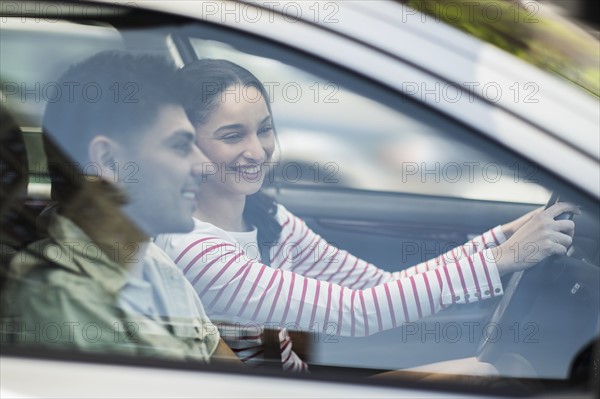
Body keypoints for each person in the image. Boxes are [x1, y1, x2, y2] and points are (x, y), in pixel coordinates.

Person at [156, 59, 577, 371]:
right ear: (187, 145)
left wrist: (500, 239)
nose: (258, 150)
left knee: (500, 374)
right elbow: (360, 311)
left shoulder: (269, 217)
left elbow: (380, 286)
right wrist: (501, 260)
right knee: (495, 376)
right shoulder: (197, 251)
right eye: (232, 136)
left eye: (264, 129)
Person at [0, 52, 239, 364]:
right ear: (110, 162)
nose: (204, 165)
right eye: (181, 146)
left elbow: (227, 367)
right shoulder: (60, 297)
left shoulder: (150, 258)